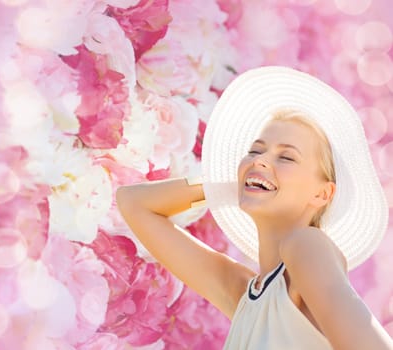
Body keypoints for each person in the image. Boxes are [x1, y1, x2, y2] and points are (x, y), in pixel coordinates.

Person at [116, 66, 393, 349]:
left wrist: (253, 178)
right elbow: (133, 203)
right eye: (256, 151)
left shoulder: (307, 244)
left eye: (287, 157)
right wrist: (233, 184)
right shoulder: (244, 294)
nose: (260, 160)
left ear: (322, 194)